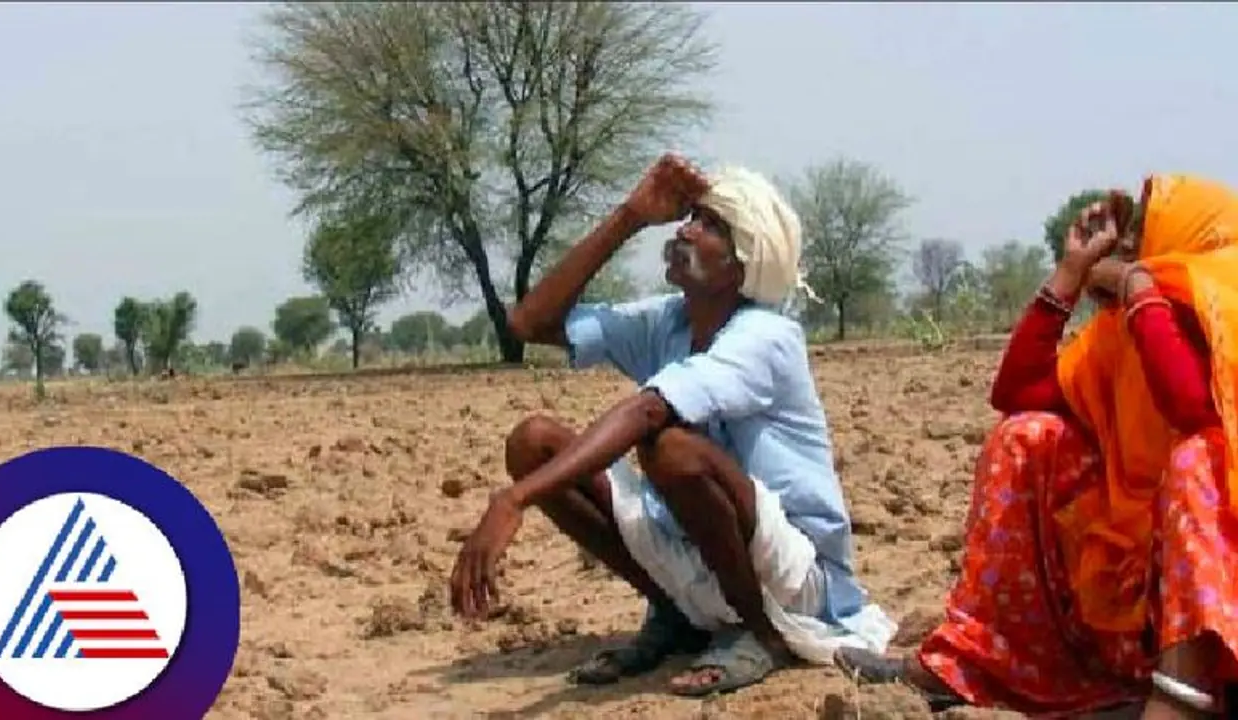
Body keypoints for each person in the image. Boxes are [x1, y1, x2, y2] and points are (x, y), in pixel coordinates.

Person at [448, 153, 896, 697]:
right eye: (692, 217)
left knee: (670, 450)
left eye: (710, 226)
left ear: (741, 265)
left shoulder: (766, 335)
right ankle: (676, 613)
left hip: (795, 576)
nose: (685, 230)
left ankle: (758, 632)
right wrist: (630, 216)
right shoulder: (670, 319)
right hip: (698, 553)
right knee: (533, 442)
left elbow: (650, 410)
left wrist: (514, 500)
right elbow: (529, 323)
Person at [834, 173, 1238, 718]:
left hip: (1219, 626)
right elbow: (1018, 391)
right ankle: (979, 664)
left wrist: (1142, 290)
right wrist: (1069, 275)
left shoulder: (1223, 319)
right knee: (1025, 438)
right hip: (1136, 610)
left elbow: (1192, 407)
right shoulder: (1123, 339)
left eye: (1143, 234)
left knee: (1198, 456)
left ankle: (1185, 697)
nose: (1127, 249)